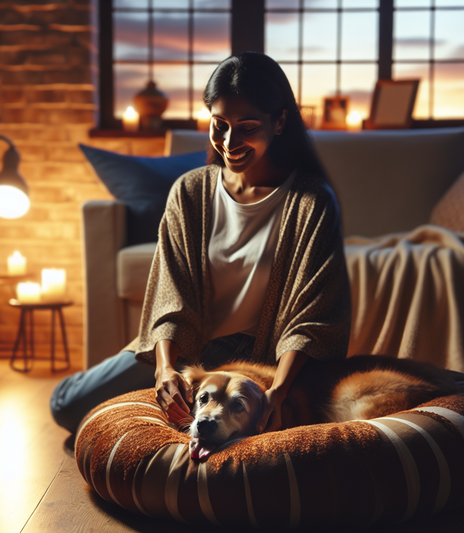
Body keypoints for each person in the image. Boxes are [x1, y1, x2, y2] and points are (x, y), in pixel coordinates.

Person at [51, 52, 351, 435]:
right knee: (67, 407)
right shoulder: (190, 191)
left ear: (280, 122)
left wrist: (278, 390)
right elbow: (169, 295)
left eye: (247, 127)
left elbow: (311, 319)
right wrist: (164, 369)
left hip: (255, 358)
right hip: (183, 344)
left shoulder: (311, 201)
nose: (229, 141)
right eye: (220, 124)